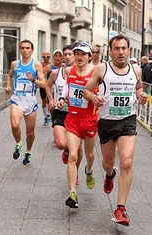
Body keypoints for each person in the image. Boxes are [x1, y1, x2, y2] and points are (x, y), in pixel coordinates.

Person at [83, 34, 148, 226]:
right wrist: (93, 98)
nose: (121, 52)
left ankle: (120, 209)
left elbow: (139, 88)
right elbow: (87, 90)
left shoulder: (136, 69)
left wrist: (141, 95)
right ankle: (110, 174)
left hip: (127, 120)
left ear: (129, 50)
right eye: (117, 48)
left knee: (127, 163)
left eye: (124, 48)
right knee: (107, 163)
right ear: (110, 51)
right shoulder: (102, 69)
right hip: (106, 122)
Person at [58, 41, 98, 208]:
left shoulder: (97, 73)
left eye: (83, 54)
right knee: (73, 155)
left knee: (89, 154)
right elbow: (67, 89)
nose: (80, 57)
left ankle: (88, 171)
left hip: (89, 120)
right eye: (77, 54)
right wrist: (61, 98)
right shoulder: (68, 71)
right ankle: (72, 193)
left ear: (90, 56)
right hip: (73, 119)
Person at [5, 39, 46, 165]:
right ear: (20, 50)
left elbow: (44, 84)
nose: (25, 50)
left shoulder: (37, 65)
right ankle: (18, 144)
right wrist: (8, 86)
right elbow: (10, 75)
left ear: (32, 50)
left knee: (30, 132)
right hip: (17, 98)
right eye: (22, 48)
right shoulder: (15, 64)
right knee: (15, 125)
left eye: (27, 48)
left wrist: (33, 80)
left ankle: (28, 151)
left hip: (30, 100)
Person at [45, 45, 83, 177]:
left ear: (75, 56)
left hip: (78, 114)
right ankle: (66, 149)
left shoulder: (82, 73)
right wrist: (51, 99)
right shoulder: (56, 73)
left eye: (70, 54)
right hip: (60, 111)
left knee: (77, 148)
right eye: (65, 54)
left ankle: (75, 172)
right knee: (61, 144)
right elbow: (47, 86)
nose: (67, 57)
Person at [40, 50, 52, 125]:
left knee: (49, 100)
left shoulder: (51, 65)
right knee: (44, 101)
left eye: (47, 56)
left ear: (50, 57)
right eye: (44, 56)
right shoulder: (40, 65)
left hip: (50, 85)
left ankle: (48, 115)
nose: (46, 58)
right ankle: (45, 116)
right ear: (42, 57)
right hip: (43, 85)